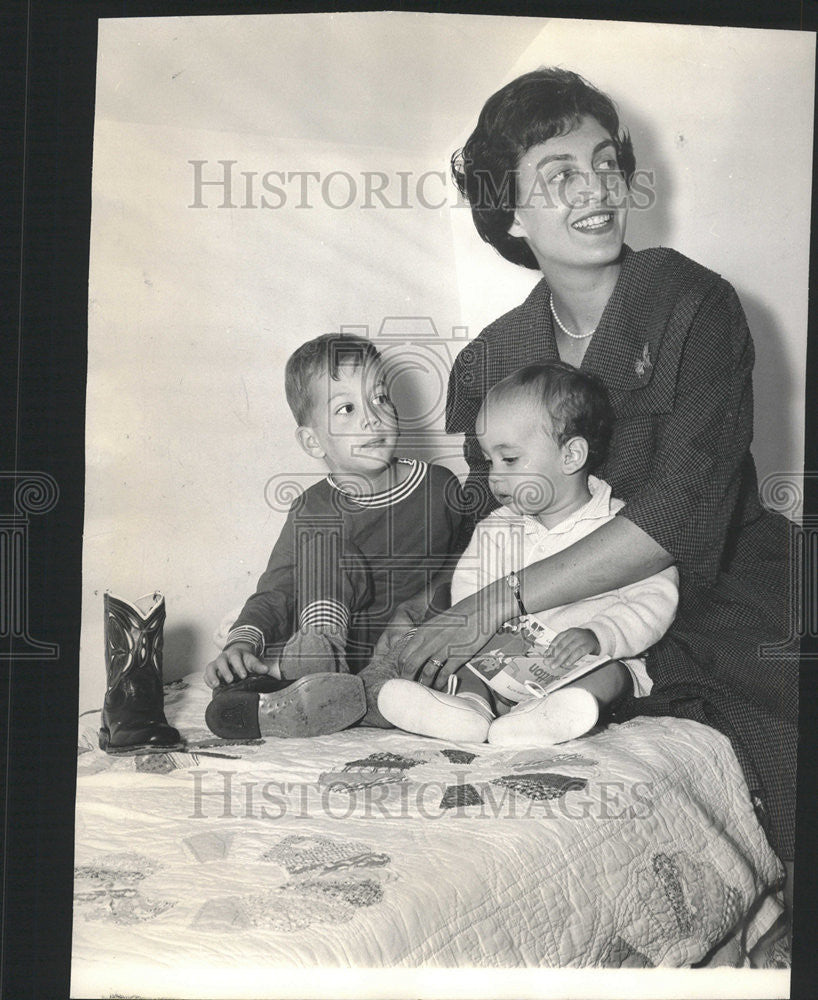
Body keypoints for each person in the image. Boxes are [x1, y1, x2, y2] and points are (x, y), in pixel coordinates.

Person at [393, 68, 798, 891]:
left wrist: (496, 604)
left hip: (727, 594)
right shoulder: (490, 362)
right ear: (509, 210)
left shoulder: (693, 303)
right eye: (561, 174)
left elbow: (685, 515)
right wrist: (421, 609)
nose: (599, 189)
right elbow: (492, 519)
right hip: (562, 606)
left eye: (606, 162)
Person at [377, 361, 679, 745]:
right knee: (468, 664)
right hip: (505, 661)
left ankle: (552, 714)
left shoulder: (622, 526)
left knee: (615, 675)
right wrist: (492, 638)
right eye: (489, 461)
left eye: (510, 459)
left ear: (571, 456)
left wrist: (598, 634)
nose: (494, 477)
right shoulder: (495, 530)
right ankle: (470, 708)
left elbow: (653, 600)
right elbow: (470, 599)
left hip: (582, 660)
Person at [203, 332, 464, 739]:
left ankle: (348, 700)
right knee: (324, 545)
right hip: (334, 646)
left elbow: (468, 565)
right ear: (311, 440)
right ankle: (315, 662)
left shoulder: (439, 488)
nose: (371, 417)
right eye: (346, 408)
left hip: (406, 647)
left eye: (380, 398)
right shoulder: (312, 506)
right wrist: (242, 645)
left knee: (419, 671)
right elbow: (278, 589)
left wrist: (426, 605)